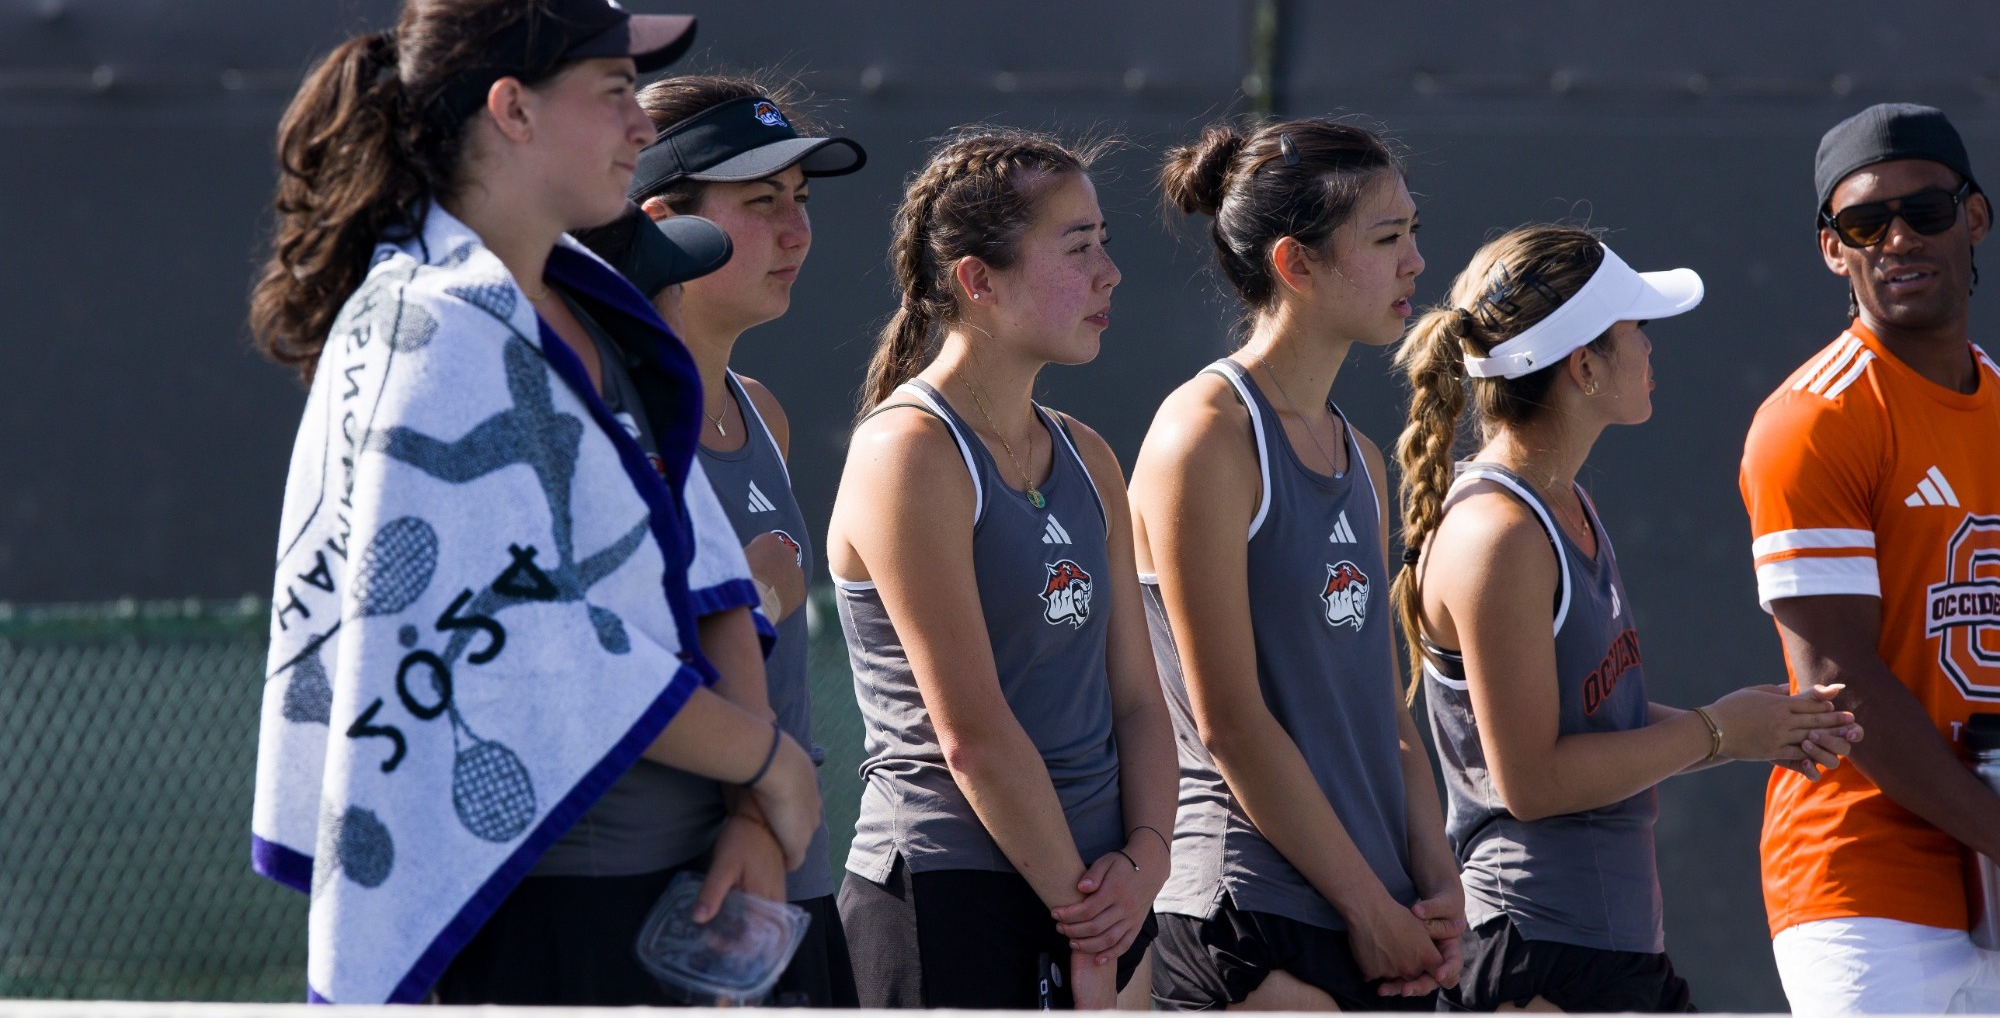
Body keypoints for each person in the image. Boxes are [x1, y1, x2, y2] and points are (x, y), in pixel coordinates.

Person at [248, 0, 820, 1006]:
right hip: (546, 900)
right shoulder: (428, 333)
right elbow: (527, 639)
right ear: (510, 109)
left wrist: (748, 812)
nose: (640, 129)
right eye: (612, 96)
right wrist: (769, 762)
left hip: (689, 880)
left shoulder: (586, 296)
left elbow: (696, 557)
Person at [1394, 225, 1861, 1011]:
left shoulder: (1565, 505)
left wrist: (1760, 731)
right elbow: (1533, 780)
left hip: (1607, 951)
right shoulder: (1498, 534)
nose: (1650, 348)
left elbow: (1594, 729)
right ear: (1583, 366)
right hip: (1536, 957)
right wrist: (1718, 730)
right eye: (1634, 330)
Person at [826, 128, 1177, 1010]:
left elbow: (1139, 698)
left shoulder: (1090, 456)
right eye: (1079, 246)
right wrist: (1087, 914)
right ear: (978, 281)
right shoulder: (908, 450)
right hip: (954, 894)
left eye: (1105, 241)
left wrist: (1145, 860)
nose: (1110, 273)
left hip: (1101, 904)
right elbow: (971, 733)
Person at [1131, 118, 1461, 1011]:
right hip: (1255, 909)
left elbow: (1386, 713)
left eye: (1414, 233)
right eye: (1387, 238)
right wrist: (1368, 905)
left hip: (1377, 913)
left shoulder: (1361, 454)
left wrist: (1437, 885)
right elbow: (1229, 721)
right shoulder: (1205, 434)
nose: (1416, 263)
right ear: (1295, 264)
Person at [580, 76, 866, 1006]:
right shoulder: (601, 417)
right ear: (661, 221)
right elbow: (598, 657)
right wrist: (753, 593)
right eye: (760, 202)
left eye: (801, 201)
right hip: (651, 900)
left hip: (789, 888)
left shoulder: (764, 416)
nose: (796, 232)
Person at [1740, 103, 2000, 1013]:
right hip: (1865, 879)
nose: (1897, 238)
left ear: (1974, 217)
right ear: (1831, 249)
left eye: (1925, 211)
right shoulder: (1816, 418)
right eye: (1863, 223)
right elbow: (1845, 687)